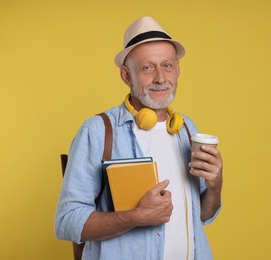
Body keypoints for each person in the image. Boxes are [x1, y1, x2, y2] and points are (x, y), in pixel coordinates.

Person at [55, 16, 223, 260]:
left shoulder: (187, 129)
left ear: (177, 70)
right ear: (126, 76)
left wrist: (216, 184)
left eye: (167, 65)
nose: (160, 78)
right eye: (147, 68)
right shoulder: (98, 130)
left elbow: (203, 215)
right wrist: (136, 217)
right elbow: (66, 222)